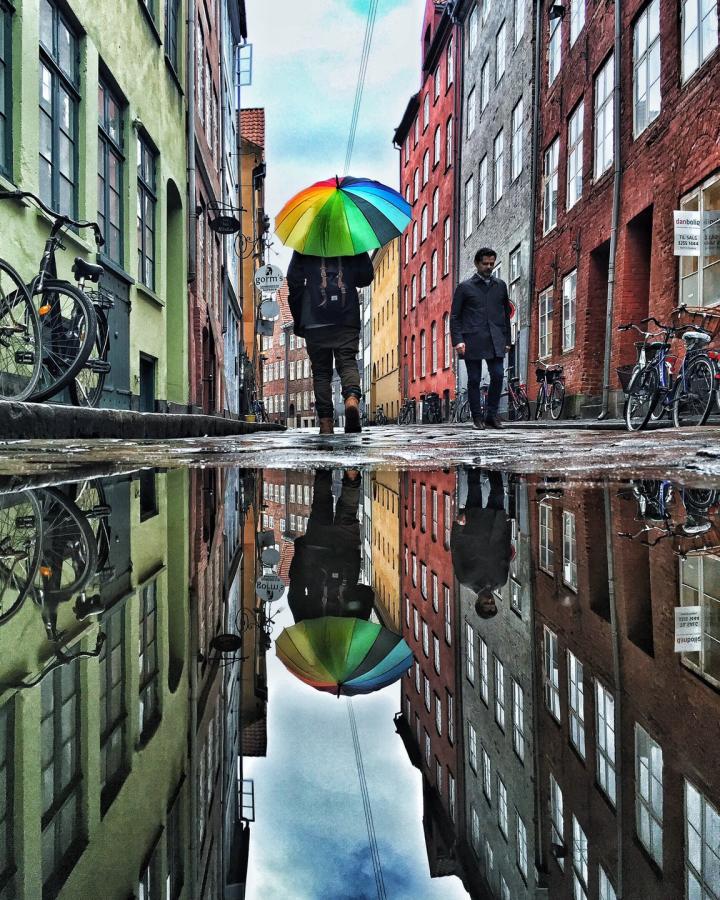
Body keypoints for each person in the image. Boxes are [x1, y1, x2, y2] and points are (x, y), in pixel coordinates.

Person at [287, 251, 374, 435]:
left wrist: (300, 314)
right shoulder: (351, 236)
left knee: (321, 373)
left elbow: (293, 280)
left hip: (314, 318)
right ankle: (351, 400)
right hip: (347, 315)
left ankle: (326, 422)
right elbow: (366, 276)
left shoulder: (306, 241)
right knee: (348, 362)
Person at [288, 469, 374, 622]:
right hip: (316, 552)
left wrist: (350, 595)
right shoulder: (307, 630)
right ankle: (324, 465)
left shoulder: (352, 633)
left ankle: (351, 474)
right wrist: (301, 555)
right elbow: (295, 593)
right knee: (321, 503)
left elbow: (367, 593)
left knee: (348, 511)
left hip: (346, 557)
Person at [450, 247, 512, 430]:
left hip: (495, 338)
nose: (489, 267)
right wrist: (458, 340)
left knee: (499, 375)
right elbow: (455, 316)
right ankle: (477, 417)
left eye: (491, 263)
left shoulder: (500, 285)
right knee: (474, 379)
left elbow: (505, 314)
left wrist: (507, 340)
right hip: (472, 340)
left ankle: (492, 415)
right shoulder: (465, 287)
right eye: (485, 263)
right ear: (477, 264)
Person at [451, 468, 512, 619]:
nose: (490, 601)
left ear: (478, 602)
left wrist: (459, 526)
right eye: (493, 604)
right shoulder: (501, 581)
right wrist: (507, 526)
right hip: (495, 528)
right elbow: (505, 552)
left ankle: (474, 464)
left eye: (486, 604)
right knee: (498, 491)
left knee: (474, 488)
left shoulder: (465, 579)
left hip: (473, 528)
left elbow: (456, 550)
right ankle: (492, 465)